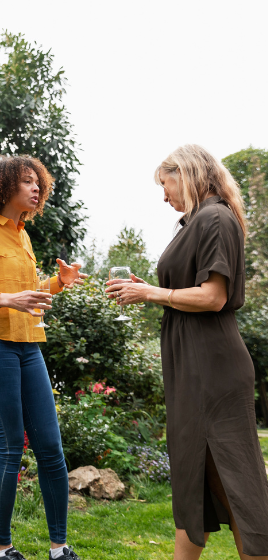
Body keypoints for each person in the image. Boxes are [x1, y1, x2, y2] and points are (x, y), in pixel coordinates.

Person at [105, 144, 268, 560]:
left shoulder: (215, 218)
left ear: (189, 174)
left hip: (211, 367)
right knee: (195, 478)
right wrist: (149, 291)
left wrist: (150, 291)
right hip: (191, 366)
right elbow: (185, 289)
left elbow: (213, 296)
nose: (164, 195)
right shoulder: (193, 223)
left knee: (238, 484)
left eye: (166, 184)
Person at [0, 155, 86, 560]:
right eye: (27, 181)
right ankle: (0, 549)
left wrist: (58, 282)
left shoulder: (23, 237)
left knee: (51, 449)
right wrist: (5, 299)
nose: (36, 188)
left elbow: (29, 298)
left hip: (28, 345)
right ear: (3, 186)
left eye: (38, 182)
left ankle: (59, 548)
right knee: (9, 448)